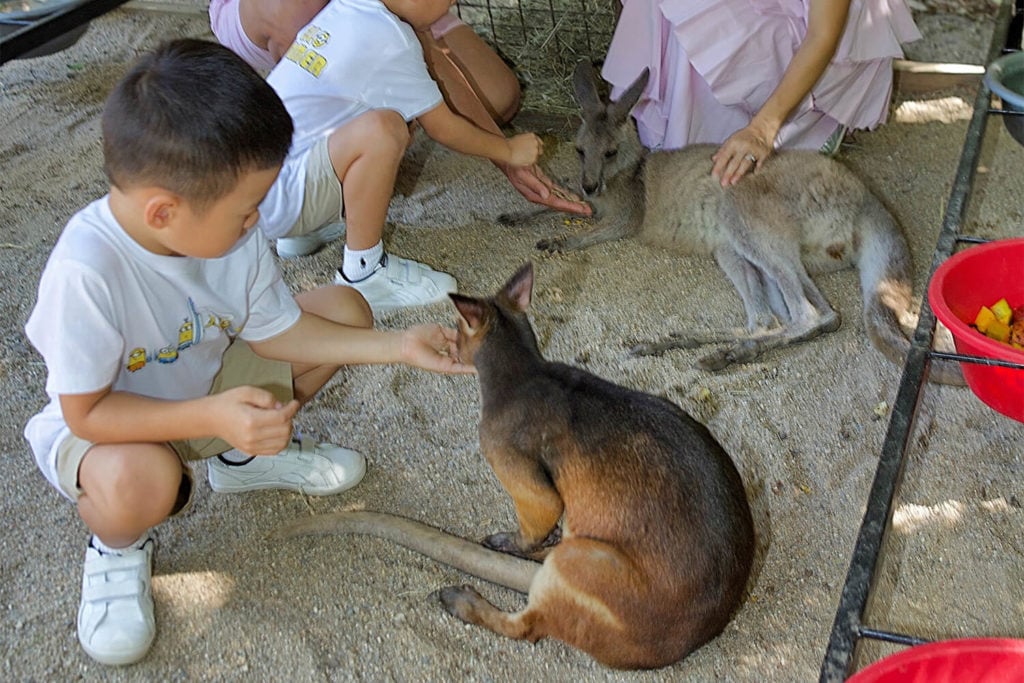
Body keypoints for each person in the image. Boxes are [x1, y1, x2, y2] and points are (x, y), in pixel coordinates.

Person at [22, 38, 473, 667]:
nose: (256, 221)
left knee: (345, 310)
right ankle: (118, 548)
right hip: (113, 433)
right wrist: (214, 417)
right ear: (163, 211)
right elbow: (86, 415)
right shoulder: (86, 270)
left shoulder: (226, 231)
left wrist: (398, 345)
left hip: (209, 392)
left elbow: (278, 332)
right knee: (141, 481)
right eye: (246, 210)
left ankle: (239, 462)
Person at [210, 0, 590, 279]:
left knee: (378, 115)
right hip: (282, 198)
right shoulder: (390, 38)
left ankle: (304, 233)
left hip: (263, 190)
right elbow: (445, 127)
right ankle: (365, 270)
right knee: (387, 129)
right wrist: (508, 150)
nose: (451, 6)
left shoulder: (346, 10)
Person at [602, 0, 922, 187]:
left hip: (827, 49)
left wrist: (760, 130)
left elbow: (824, 36)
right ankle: (690, 132)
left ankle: (805, 125)